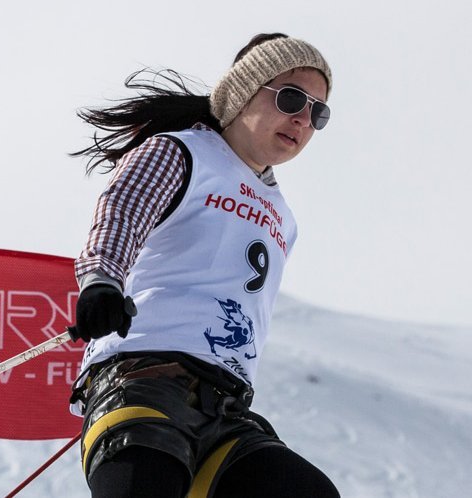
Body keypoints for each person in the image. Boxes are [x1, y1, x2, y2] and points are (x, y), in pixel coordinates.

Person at [65, 33, 342, 497]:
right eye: (292, 98)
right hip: (143, 381)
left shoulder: (283, 216)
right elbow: (122, 211)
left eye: (318, 112)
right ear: (243, 90)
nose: (302, 118)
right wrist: (101, 282)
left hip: (225, 409)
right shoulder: (182, 152)